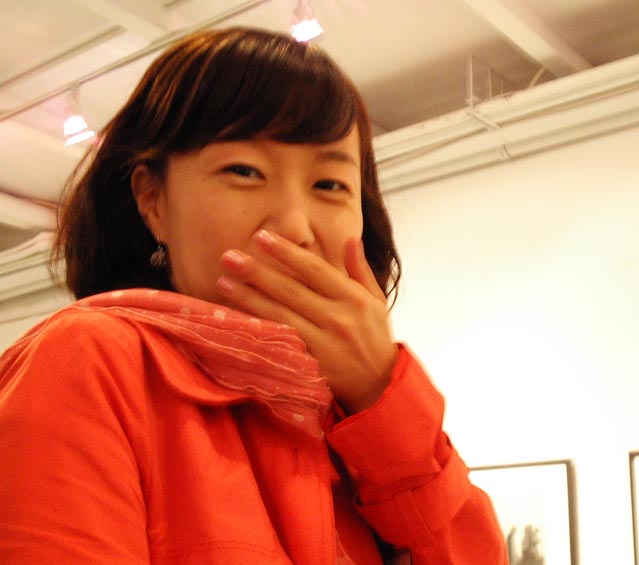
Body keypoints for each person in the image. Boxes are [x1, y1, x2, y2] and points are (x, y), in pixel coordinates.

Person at [0, 27, 507, 564]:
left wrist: (382, 396)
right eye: (243, 172)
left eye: (329, 185)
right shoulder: (89, 360)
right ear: (153, 200)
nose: (294, 227)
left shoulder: (341, 415)